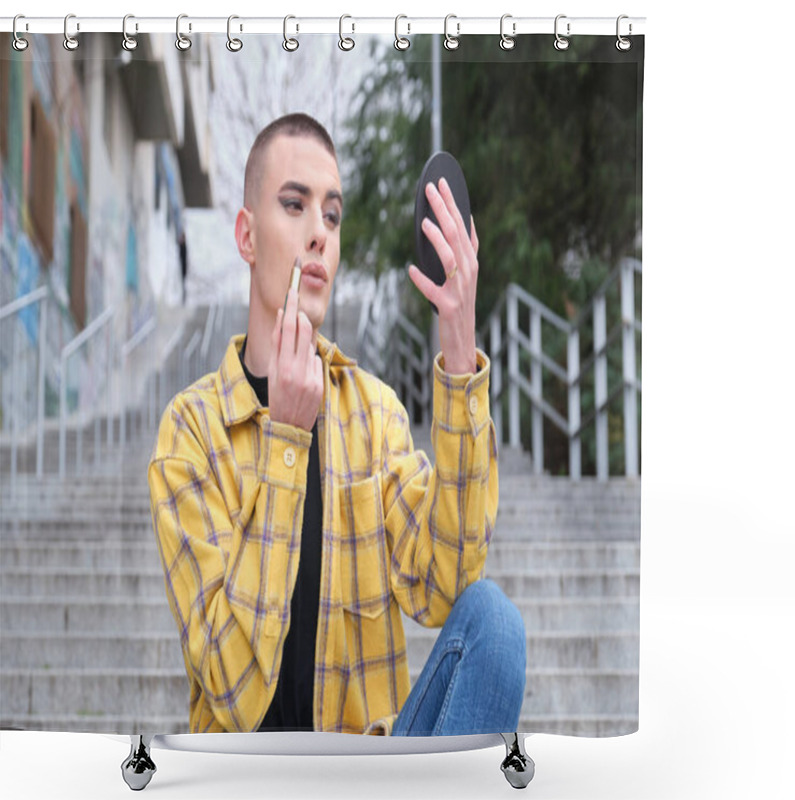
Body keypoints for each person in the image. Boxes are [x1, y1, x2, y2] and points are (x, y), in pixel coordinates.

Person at [148, 113, 526, 736]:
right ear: (246, 236)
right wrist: (288, 443)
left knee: (494, 619)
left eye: (332, 214)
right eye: (294, 205)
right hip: (246, 783)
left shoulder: (374, 414)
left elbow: (443, 582)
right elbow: (229, 686)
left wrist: (459, 353)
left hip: (366, 772)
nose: (319, 233)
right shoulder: (190, 432)